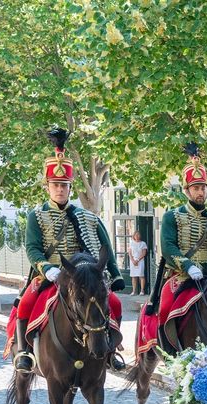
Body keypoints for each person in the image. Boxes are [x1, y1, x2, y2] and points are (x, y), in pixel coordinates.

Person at [9, 128, 125, 372]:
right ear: (48, 187)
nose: (60, 189)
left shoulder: (86, 217)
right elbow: (32, 248)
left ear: (70, 188)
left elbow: (105, 246)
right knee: (26, 304)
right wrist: (47, 269)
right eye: (55, 185)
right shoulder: (37, 216)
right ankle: (24, 352)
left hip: (80, 276)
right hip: (50, 274)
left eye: (64, 185)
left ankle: (110, 350)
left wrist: (114, 276)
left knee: (113, 302)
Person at [146, 143, 207, 318]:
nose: (200, 192)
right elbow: (168, 247)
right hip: (181, 274)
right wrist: (189, 266)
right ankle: (164, 342)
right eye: (196, 188)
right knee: (164, 308)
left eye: (203, 188)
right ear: (186, 191)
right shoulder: (172, 216)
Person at [128, 230, 148, 295]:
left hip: (140, 261)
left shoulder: (143, 243)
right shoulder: (131, 243)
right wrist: (133, 260)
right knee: (133, 276)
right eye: (136, 235)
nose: (137, 236)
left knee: (141, 275)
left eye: (138, 235)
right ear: (134, 236)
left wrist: (138, 260)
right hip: (133, 261)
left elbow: (144, 253)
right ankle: (134, 291)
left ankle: (142, 291)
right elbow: (130, 253)